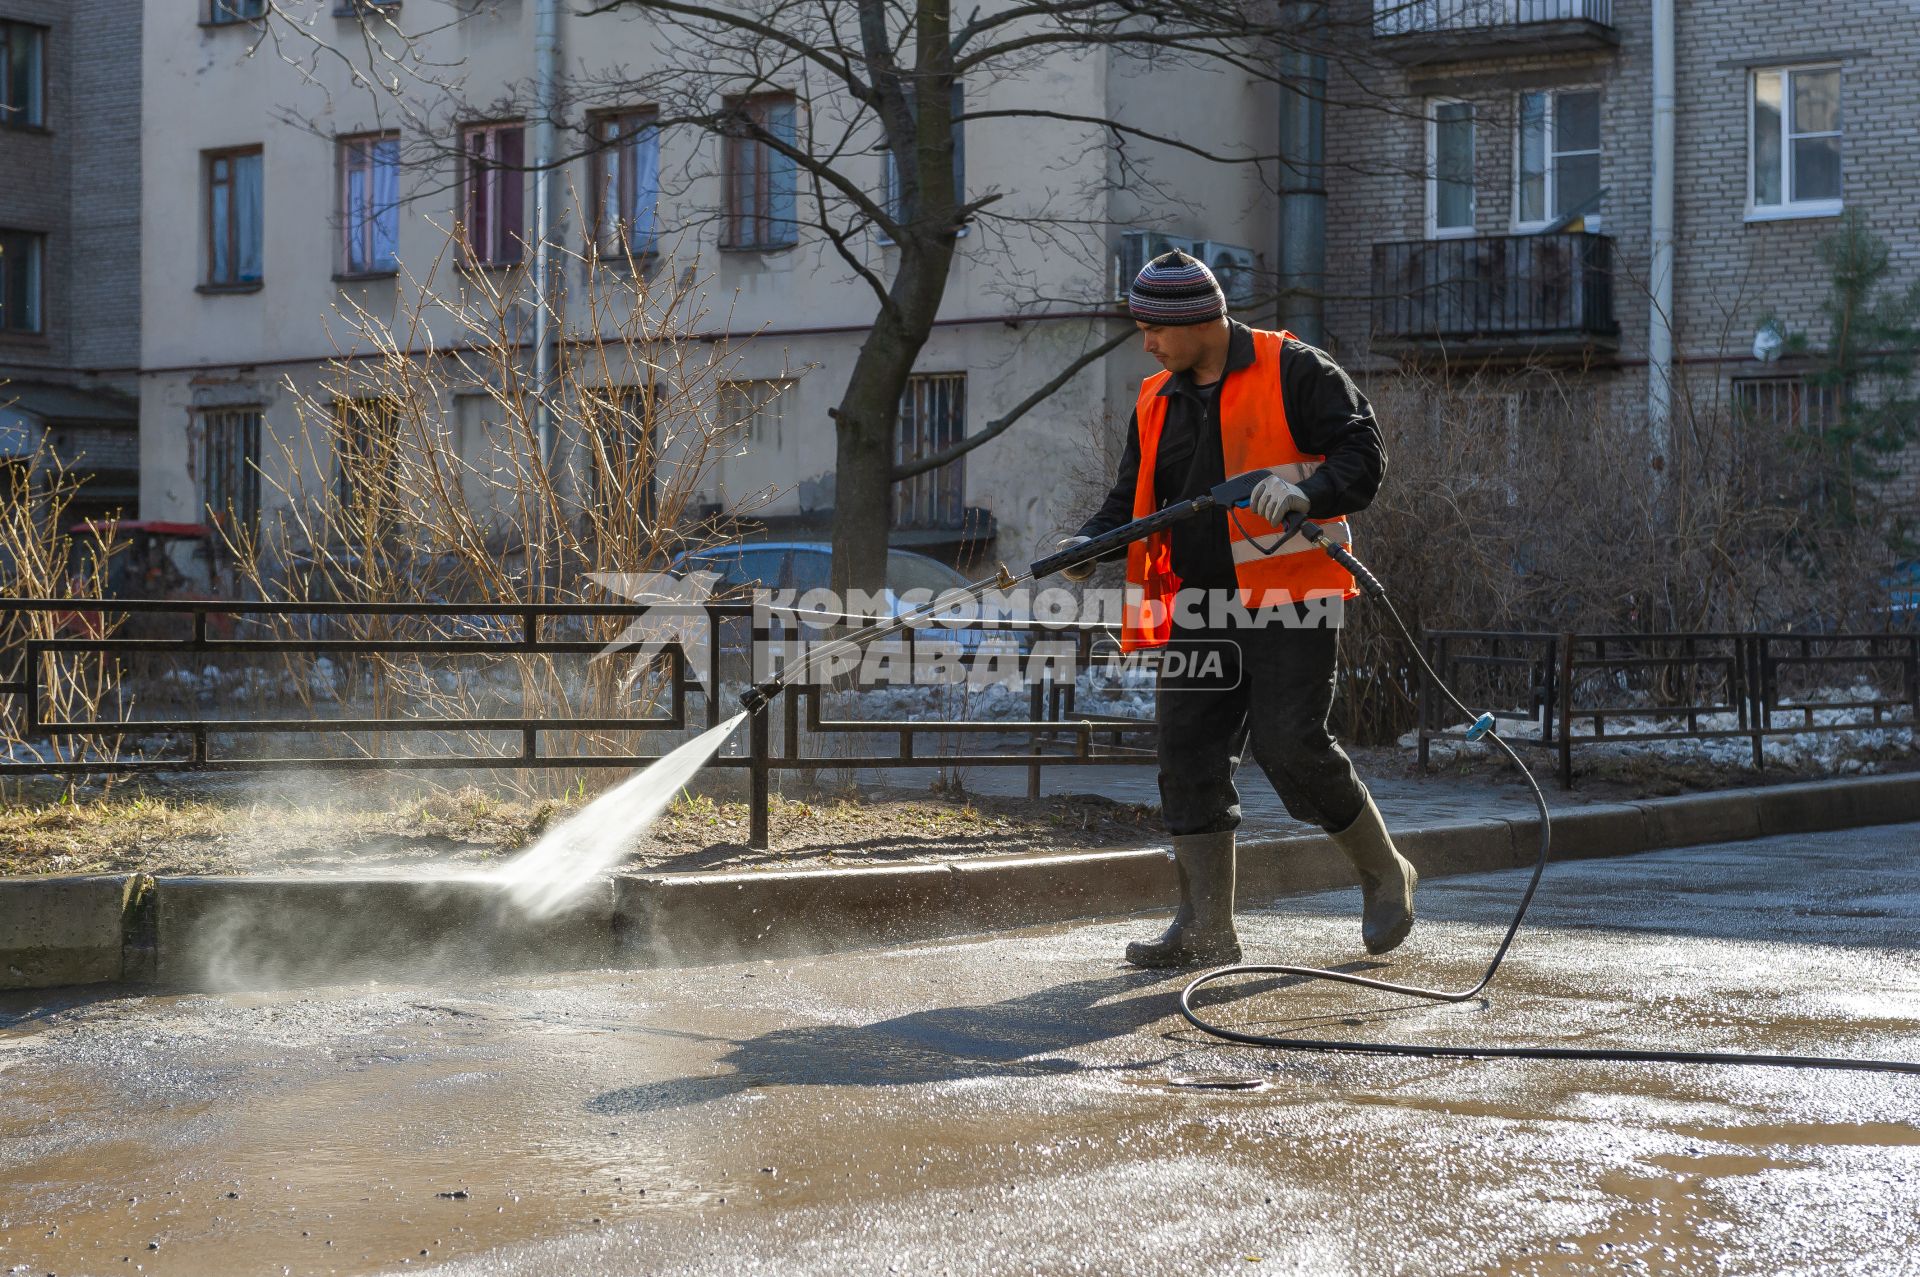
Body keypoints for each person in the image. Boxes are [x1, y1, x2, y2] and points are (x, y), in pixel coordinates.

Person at [1062, 250, 1417, 968]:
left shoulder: (1295, 370)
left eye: (1153, 329)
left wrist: (1309, 494)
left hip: (1294, 600)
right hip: (1200, 604)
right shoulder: (1155, 398)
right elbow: (1131, 501)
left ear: (1197, 320)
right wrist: (1088, 542)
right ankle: (1205, 929)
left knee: (1292, 747)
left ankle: (1386, 874)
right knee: (1186, 755)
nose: (1147, 343)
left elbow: (1365, 454)